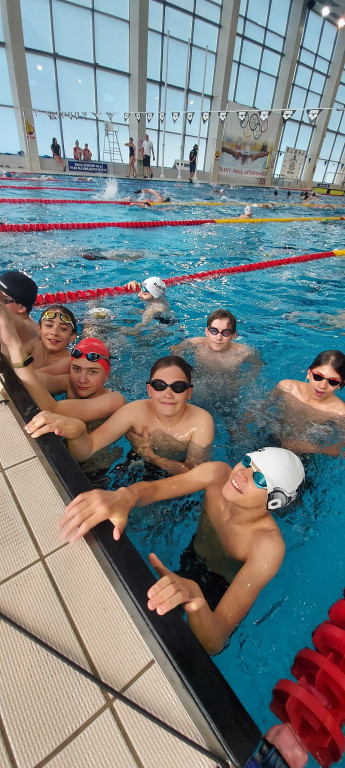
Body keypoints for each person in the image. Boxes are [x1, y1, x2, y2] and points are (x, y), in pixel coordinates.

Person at [56, 446, 304, 654]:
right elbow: (154, 489)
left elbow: (216, 640)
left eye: (260, 479)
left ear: (275, 501)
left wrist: (196, 598)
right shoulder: (217, 474)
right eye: (248, 462)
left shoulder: (267, 547)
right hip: (191, 556)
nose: (242, 474)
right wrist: (124, 496)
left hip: (217, 589)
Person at [25, 355, 215, 477]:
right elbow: (86, 449)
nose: (168, 393)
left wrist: (149, 455)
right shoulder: (135, 412)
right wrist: (79, 432)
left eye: (178, 387)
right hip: (137, 461)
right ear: (149, 389)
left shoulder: (201, 422)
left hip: (172, 468)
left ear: (189, 392)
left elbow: (194, 475)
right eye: (159, 385)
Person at [0, 307, 125, 422]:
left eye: (92, 371)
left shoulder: (115, 400)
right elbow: (34, 379)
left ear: (106, 376)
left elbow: (53, 410)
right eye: (76, 369)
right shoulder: (69, 381)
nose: (82, 379)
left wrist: (14, 345)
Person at [275, 349, 345, 455]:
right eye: (318, 376)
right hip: (274, 435)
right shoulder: (286, 388)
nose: (322, 386)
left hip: (306, 453)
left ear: (340, 384)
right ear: (309, 373)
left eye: (333, 382)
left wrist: (311, 448)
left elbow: (341, 452)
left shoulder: (340, 412)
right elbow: (260, 409)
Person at [172, 310, 259, 370]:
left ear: (233, 335)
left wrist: (246, 380)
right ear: (207, 331)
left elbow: (258, 366)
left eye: (226, 333)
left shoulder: (243, 352)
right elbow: (175, 349)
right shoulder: (196, 343)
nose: (219, 338)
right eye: (214, 331)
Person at [28, 305, 77, 371]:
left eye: (63, 329)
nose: (54, 332)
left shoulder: (68, 364)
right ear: (39, 329)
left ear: (72, 336)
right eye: (49, 325)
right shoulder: (36, 344)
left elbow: (32, 378)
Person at [0, 270, 39, 349]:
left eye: (3, 299)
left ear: (21, 308)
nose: (1, 303)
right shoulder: (27, 319)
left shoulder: (21, 326)